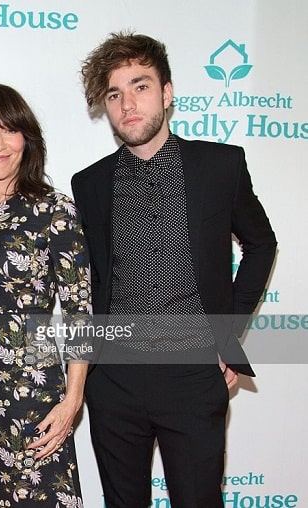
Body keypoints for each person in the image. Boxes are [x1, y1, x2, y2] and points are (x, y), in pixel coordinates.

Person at [71, 32, 277, 508]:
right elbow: (95, 280)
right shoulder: (91, 183)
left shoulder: (219, 165)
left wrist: (227, 338)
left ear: (166, 92)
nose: (128, 104)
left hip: (191, 374)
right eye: (115, 94)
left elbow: (261, 244)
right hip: (115, 378)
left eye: (140, 86)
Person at [0, 83, 92, 507]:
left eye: (9, 130)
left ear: (26, 139)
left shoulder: (54, 210)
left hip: (34, 392)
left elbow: (80, 312)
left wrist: (73, 399)